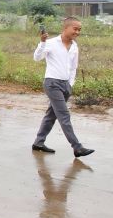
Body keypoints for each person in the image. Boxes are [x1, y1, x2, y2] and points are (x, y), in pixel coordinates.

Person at [32, 17, 94, 157]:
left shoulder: (74, 46)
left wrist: (70, 85)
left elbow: (73, 68)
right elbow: (37, 57)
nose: (77, 32)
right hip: (52, 83)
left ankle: (38, 143)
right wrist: (42, 43)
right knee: (64, 115)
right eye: (75, 29)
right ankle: (77, 147)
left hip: (65, 85)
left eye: (79, 29)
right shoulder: (51, 43)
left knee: (51, 115)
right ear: (65, 28)